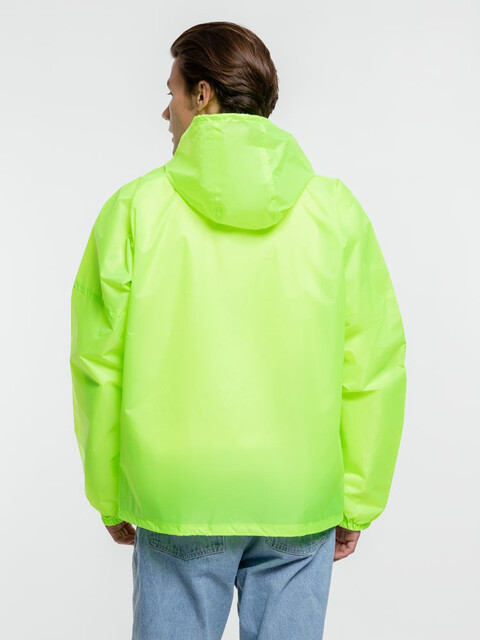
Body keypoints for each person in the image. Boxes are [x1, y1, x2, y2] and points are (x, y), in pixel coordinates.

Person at [69, 21, 407, 640]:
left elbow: (98, 365)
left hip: (177, 494)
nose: (165, 111)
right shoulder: (334, 211)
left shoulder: (135, 209)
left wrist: (108, 492)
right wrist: (358, 499)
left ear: (203, 95)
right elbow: (373, 365)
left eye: (172, 92)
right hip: (298, 496)